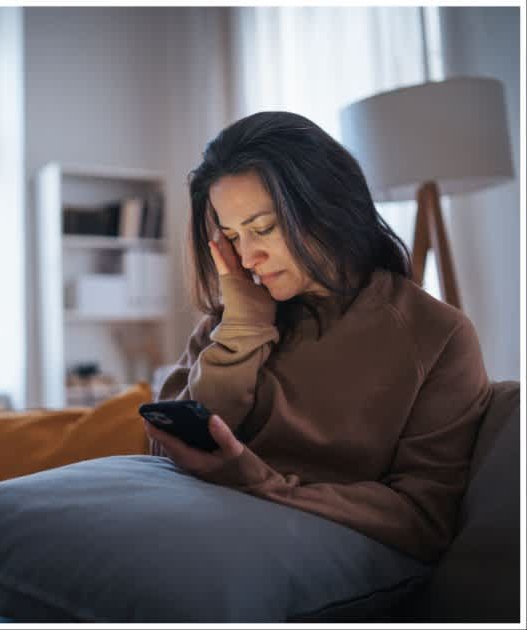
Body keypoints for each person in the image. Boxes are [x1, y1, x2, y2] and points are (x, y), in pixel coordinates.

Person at [147, 111, 492, 564]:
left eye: (263, 228)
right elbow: (165, 450)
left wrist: (259, 484)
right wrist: (242, 331)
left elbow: (422, 517)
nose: (248, 256)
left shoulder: (437, 336)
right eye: (232, 235)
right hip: (196, 524)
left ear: (326, 205)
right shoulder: (232, 319)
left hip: (320, 550)